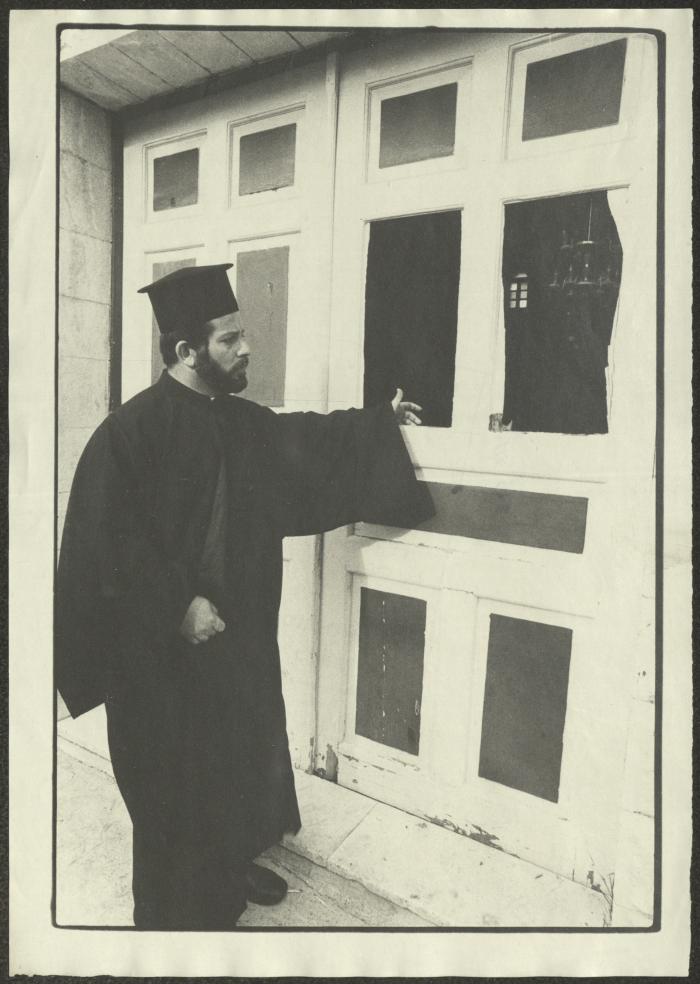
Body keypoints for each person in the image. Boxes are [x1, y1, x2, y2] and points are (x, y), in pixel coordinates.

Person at [55, 263, 433, 930]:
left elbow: (310, 440)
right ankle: (172, 926)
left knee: (233, 768)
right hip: (161, 663)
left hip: (235, 646)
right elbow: (105, 549)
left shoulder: (243, 423)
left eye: (242, 334)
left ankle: (227, 871)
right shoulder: (128, 435)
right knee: (171, 794)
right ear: (186, 351)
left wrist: (379, 423)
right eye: (229, 339)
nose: (247, 348)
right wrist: (177, 607)